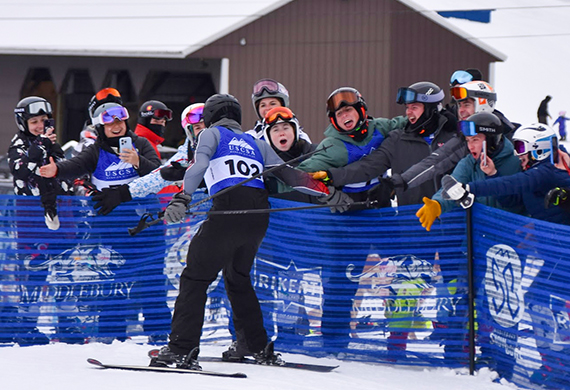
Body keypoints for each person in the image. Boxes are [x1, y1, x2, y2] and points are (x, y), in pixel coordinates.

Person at [152, 93, 347, 369]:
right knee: (237, 278)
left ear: (210, 116)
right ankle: (254, 345)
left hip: (228, 210)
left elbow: (200, 164)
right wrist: (330, 194)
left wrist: (183, 197)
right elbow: (291, 176)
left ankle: (180, 349)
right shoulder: (256, 142)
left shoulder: (211, 134)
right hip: (257, 217)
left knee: (195, 277)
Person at [39, 102, 161, 342]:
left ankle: (159, 334)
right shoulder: (95, 150)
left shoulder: (141, 144)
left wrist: (138, 161)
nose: (116, 127)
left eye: (120, 122)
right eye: (110, 124)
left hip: (147, 225)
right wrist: (56, 170)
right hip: (113, 227)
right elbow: (75, 166)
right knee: (114, 282)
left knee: (152, 281)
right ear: (101, 127)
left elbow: (158, 173)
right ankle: (112, 336)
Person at [312, 81, 457, 207]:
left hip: (455, 222)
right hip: (413, 224)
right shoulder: (398, 140)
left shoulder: (455, 136)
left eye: (414, 107)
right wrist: (332, 176)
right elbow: (368, 166)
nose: (408, 112)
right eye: (407, 107)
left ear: (430, 108)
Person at [6, 96, 74, 345]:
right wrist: (42, 144)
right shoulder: (19, 144)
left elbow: (65, 170)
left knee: (65, 269)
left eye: (43, 120)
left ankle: (66, 324)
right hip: (32, 218)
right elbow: (22, 169)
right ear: (23, 122)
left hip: (61, 214)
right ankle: (27, 326)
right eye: (33, 121)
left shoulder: (54, 143)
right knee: (35, 271)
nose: (38, 125)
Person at [298, 86, 407, 206]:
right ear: (334, 121)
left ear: (360, 110)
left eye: (348, 110)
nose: (344, 116)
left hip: (381, 201)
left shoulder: (380, 128)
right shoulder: (332, 146)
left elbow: (409, 123)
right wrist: (330, 194)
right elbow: (301, 174)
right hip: (349, 205)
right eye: (339, 114)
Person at [416, 111, 523, 232]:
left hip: (512, 236)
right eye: (468, 140)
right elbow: (454, 186)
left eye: (475, 140)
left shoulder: (516, 162)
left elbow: (518, 202)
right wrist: (437, 204)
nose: (470, 146)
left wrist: (493, 175)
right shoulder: (469, 163)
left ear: (492, 140)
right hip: (479, 238)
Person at [262, 106, 318, 203]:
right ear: (268, 137)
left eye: (286, 128)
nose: (281, 133)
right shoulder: (264, 166)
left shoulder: (316, 155)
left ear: (295, 131)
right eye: (276, 130)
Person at [246, 78, 311, 143]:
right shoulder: (250, 137)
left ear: (282, 106)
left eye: (272, 103)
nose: (268, 108)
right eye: (263, 105)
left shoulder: (300, 136)